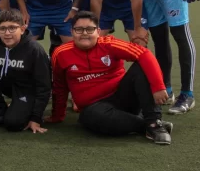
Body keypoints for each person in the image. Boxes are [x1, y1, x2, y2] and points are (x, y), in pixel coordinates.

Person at [48, 12, 173, 145]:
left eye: (90, 29)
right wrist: (57, 115)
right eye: (79, 29)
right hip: (94, 107)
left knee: (142, 66)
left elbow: (144, 54)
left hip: (123, 98)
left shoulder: (109, 44)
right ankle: (147, 125)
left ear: (98, 31)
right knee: (89, 118)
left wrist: (158, 87)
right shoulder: (61, 53)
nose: (84, 33)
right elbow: (60, 86)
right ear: (72, 32)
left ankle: (154, 123)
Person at [0, 9, 51, 133]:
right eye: (3, 29)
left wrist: (36, 118)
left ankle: (19, 109)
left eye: (12, 28)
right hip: (9, 84)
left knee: (13, 124)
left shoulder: (34, 50)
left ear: (22, 29)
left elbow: (44, 86)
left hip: (28, 90)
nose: (7, 33)